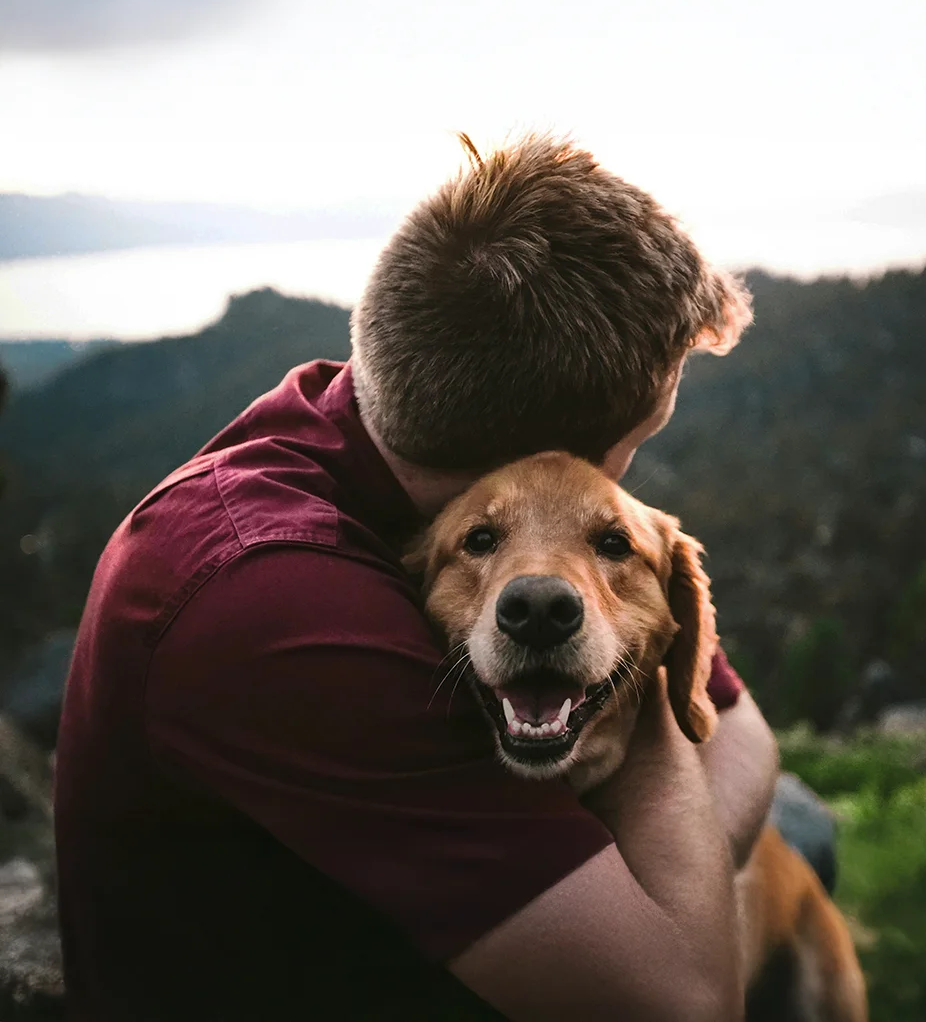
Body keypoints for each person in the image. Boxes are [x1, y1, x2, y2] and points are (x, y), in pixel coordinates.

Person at [54, 134, 778, 1021]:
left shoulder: (373, 428)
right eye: (643, 437)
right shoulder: (273, 601)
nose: (622, 476)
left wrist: (630, 670)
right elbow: (686, 1003)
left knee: (798, 846)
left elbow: (746, 737)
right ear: (543, 458)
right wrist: (635, 679)